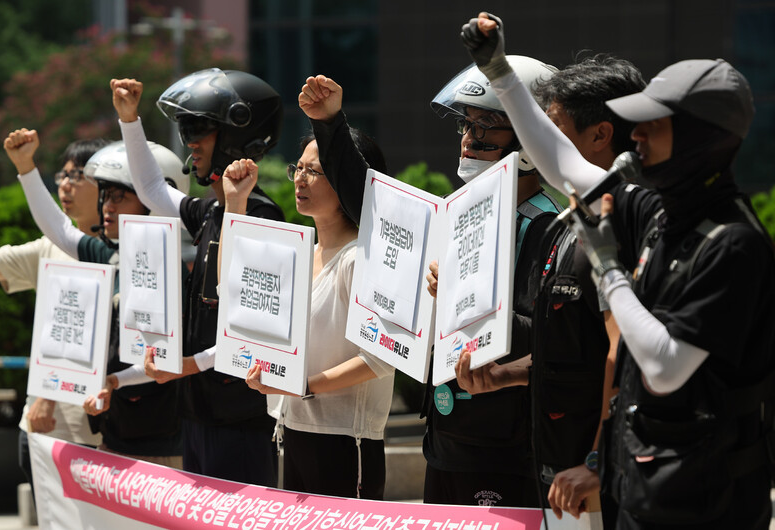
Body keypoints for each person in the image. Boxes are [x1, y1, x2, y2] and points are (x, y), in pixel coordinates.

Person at [462, 11, 775, 529]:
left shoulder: (733, 243)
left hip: (710, 499)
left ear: (702, 138)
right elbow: (563, 163)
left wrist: (609, 269)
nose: (639, 136)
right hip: (646, 485)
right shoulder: (658, 210)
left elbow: (665, 365)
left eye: (655, 124)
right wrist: (499, 74)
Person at [299, 60, 561, 507]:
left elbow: (556, 337)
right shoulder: (456, 212)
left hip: (505, 447)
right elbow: (372, 206)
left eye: (486, 128)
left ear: (530, 139)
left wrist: (465, 294)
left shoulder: (547, 228)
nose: (468, 139)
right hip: (446, 439)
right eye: (466, 125)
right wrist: (329, 124)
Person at [453, 54, 645, 522]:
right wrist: (506, 375)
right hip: (558, 470)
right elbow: (571, 350)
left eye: (549, 130)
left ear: (600, 135)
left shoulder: (623, 224)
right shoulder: (574, 222)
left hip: (595, 478)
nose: (533, 145)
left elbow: (622, 356)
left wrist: (599, 460)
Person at [111, 70, 285, 485]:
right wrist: (129, 119)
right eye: (186, 126)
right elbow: (152, 189)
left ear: (237, 137)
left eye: (200, 127)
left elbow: (256, 328)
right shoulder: (211, 212)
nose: (189, 139)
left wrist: (191, 365)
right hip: (199, 411)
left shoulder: (264, 216)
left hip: (239, 416)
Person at [228, 131, 394, 499]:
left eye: (314, 171)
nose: (300, 179)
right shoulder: (302, 253)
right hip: (294, 432)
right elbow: (233, 291)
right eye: (298, 168)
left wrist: (303, 385)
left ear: (347, 179)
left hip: (346, 441)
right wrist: (234, 204)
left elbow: (382, 359)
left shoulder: (361, 259)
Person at [7, 130, 188, 468]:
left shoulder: (171, 269)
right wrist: (26, 169)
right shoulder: (109, 254)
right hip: (115, 434)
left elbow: (165, 358)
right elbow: (58, 229)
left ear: (155, 200)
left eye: (120, 196)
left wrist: (115, 381)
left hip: (164, 444)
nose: (107, 207)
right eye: (105, 196)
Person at [0, 137, 106, 496]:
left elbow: (90, 331)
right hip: (39, 423)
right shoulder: (51, 245)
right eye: (62, 175)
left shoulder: (124, 250)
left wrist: (49, 396)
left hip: (97, 432)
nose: (65, 184)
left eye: (78, 175)